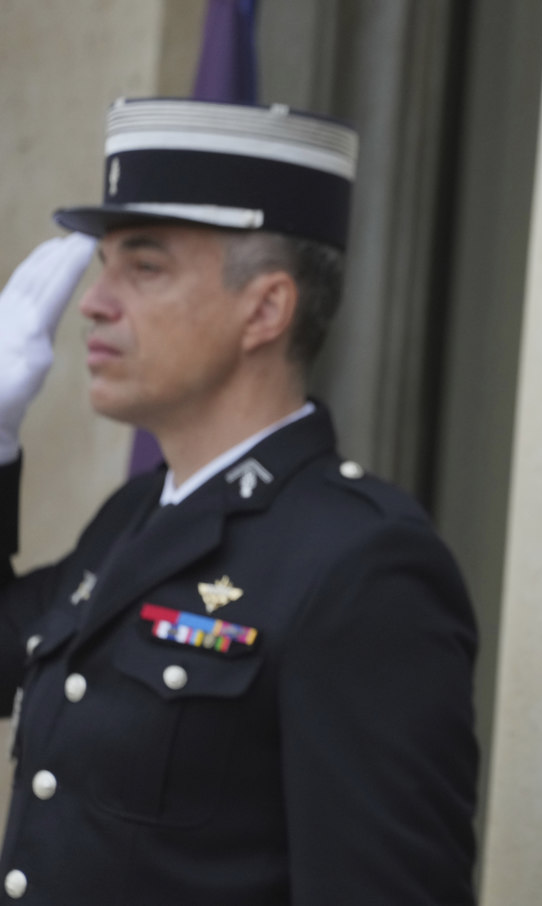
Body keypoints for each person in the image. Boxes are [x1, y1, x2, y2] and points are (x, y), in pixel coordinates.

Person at [0, 98, 478, 904]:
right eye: (103, 263)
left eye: (143, 267)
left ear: (265, 309)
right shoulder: (137, 515)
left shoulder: (362, 563)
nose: (92, 301)